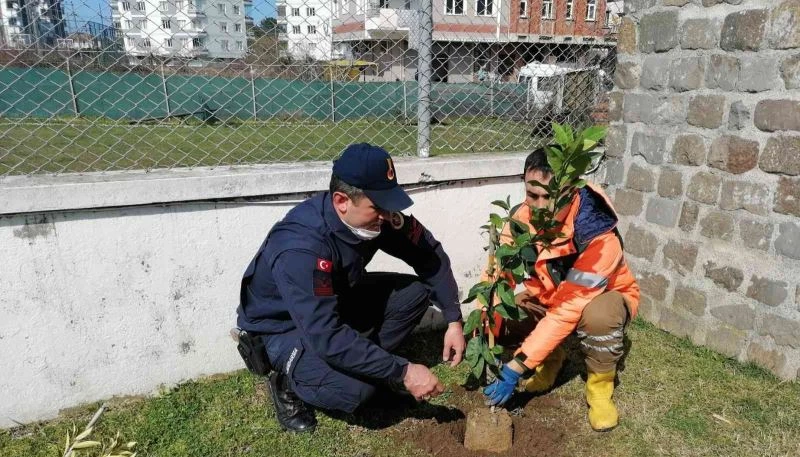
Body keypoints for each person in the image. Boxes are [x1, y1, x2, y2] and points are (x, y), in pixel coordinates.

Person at [234, 143, 465, 433]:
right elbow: (326, 334)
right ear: (343, 201)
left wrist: (453, 318)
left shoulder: (373, 217)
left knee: (417, 294)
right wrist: (403, 372)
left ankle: (367, 364)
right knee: (357, 391)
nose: (387, 214)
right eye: (378, 206)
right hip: (283, 328)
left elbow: (428, 254)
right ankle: (286, 381)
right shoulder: (301, 247)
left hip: (335, 299)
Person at [482, 148, 640, 431]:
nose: (541, 206)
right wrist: (486, 322)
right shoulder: (521, 219)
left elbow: (567, 310)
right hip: (550, 296)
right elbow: (497, 275)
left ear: (571, 191)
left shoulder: (599, 236)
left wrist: (516, 367)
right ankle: (552, 358)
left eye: (551, 196)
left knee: (599, 316)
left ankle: (600, 386)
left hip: (599, 300)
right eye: (533, 195)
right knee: (503, 317)